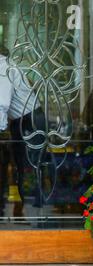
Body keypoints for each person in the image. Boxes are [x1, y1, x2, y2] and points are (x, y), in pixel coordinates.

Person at [0, 46, 45, 218]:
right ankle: (25, 210)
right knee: (24, 166)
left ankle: (32, 212)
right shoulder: (6, 65)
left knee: (27, 167)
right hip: (25, 119)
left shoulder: (3, 68)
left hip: (29, 121)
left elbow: (2, 103)